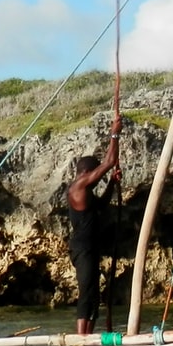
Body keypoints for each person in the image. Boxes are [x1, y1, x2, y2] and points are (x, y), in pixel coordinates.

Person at [64, 114, 122, 333]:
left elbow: (102, 205)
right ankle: (81, 337)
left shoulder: (87, 196)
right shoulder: (78, 186)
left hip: (91, 247)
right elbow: (109, 162)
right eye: (94, 174)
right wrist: (114, 133)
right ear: (86, 174)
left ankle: (88, 333)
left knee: (95, 294)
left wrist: (112, 185)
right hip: (82, 248)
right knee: (86, 291)